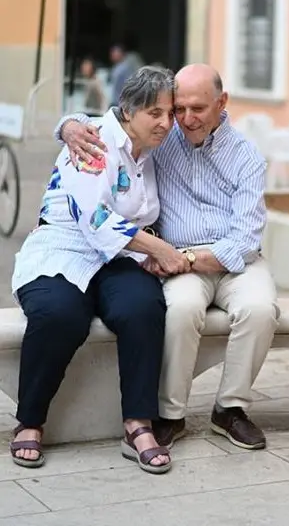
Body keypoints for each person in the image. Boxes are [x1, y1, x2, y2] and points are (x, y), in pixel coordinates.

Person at [53, 63, 278, 451]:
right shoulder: (162, 138)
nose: (186, 120)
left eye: (198, 109)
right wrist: (68, 126)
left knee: (260, 309)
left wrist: (185, 258)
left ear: (222, 103)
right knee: (180, 309)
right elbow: (115, 116)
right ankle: (170, 414)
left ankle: (230, 410)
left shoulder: (246, 156)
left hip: (230, 262)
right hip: (179, 264)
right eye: (180, 109)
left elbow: (244, 239)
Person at [10, 66, 191, 473]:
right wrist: (160, 248)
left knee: (143, 307)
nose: (166, 123)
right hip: (64, 245)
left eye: (169, 112)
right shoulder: (94, 141)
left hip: (119, 255)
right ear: (128, 111)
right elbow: (95, 220)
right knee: (60, 314)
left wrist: (148, 249)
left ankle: (138, 423)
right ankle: (30, 420)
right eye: (155, 113)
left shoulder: (152, 146)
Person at [109, 42, 144, 106]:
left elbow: (128, 84)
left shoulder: (125, 68)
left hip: (121, 102)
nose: (112, 55)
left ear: (121, 53)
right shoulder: (116, 67)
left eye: (115, 52)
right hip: (115, 100)